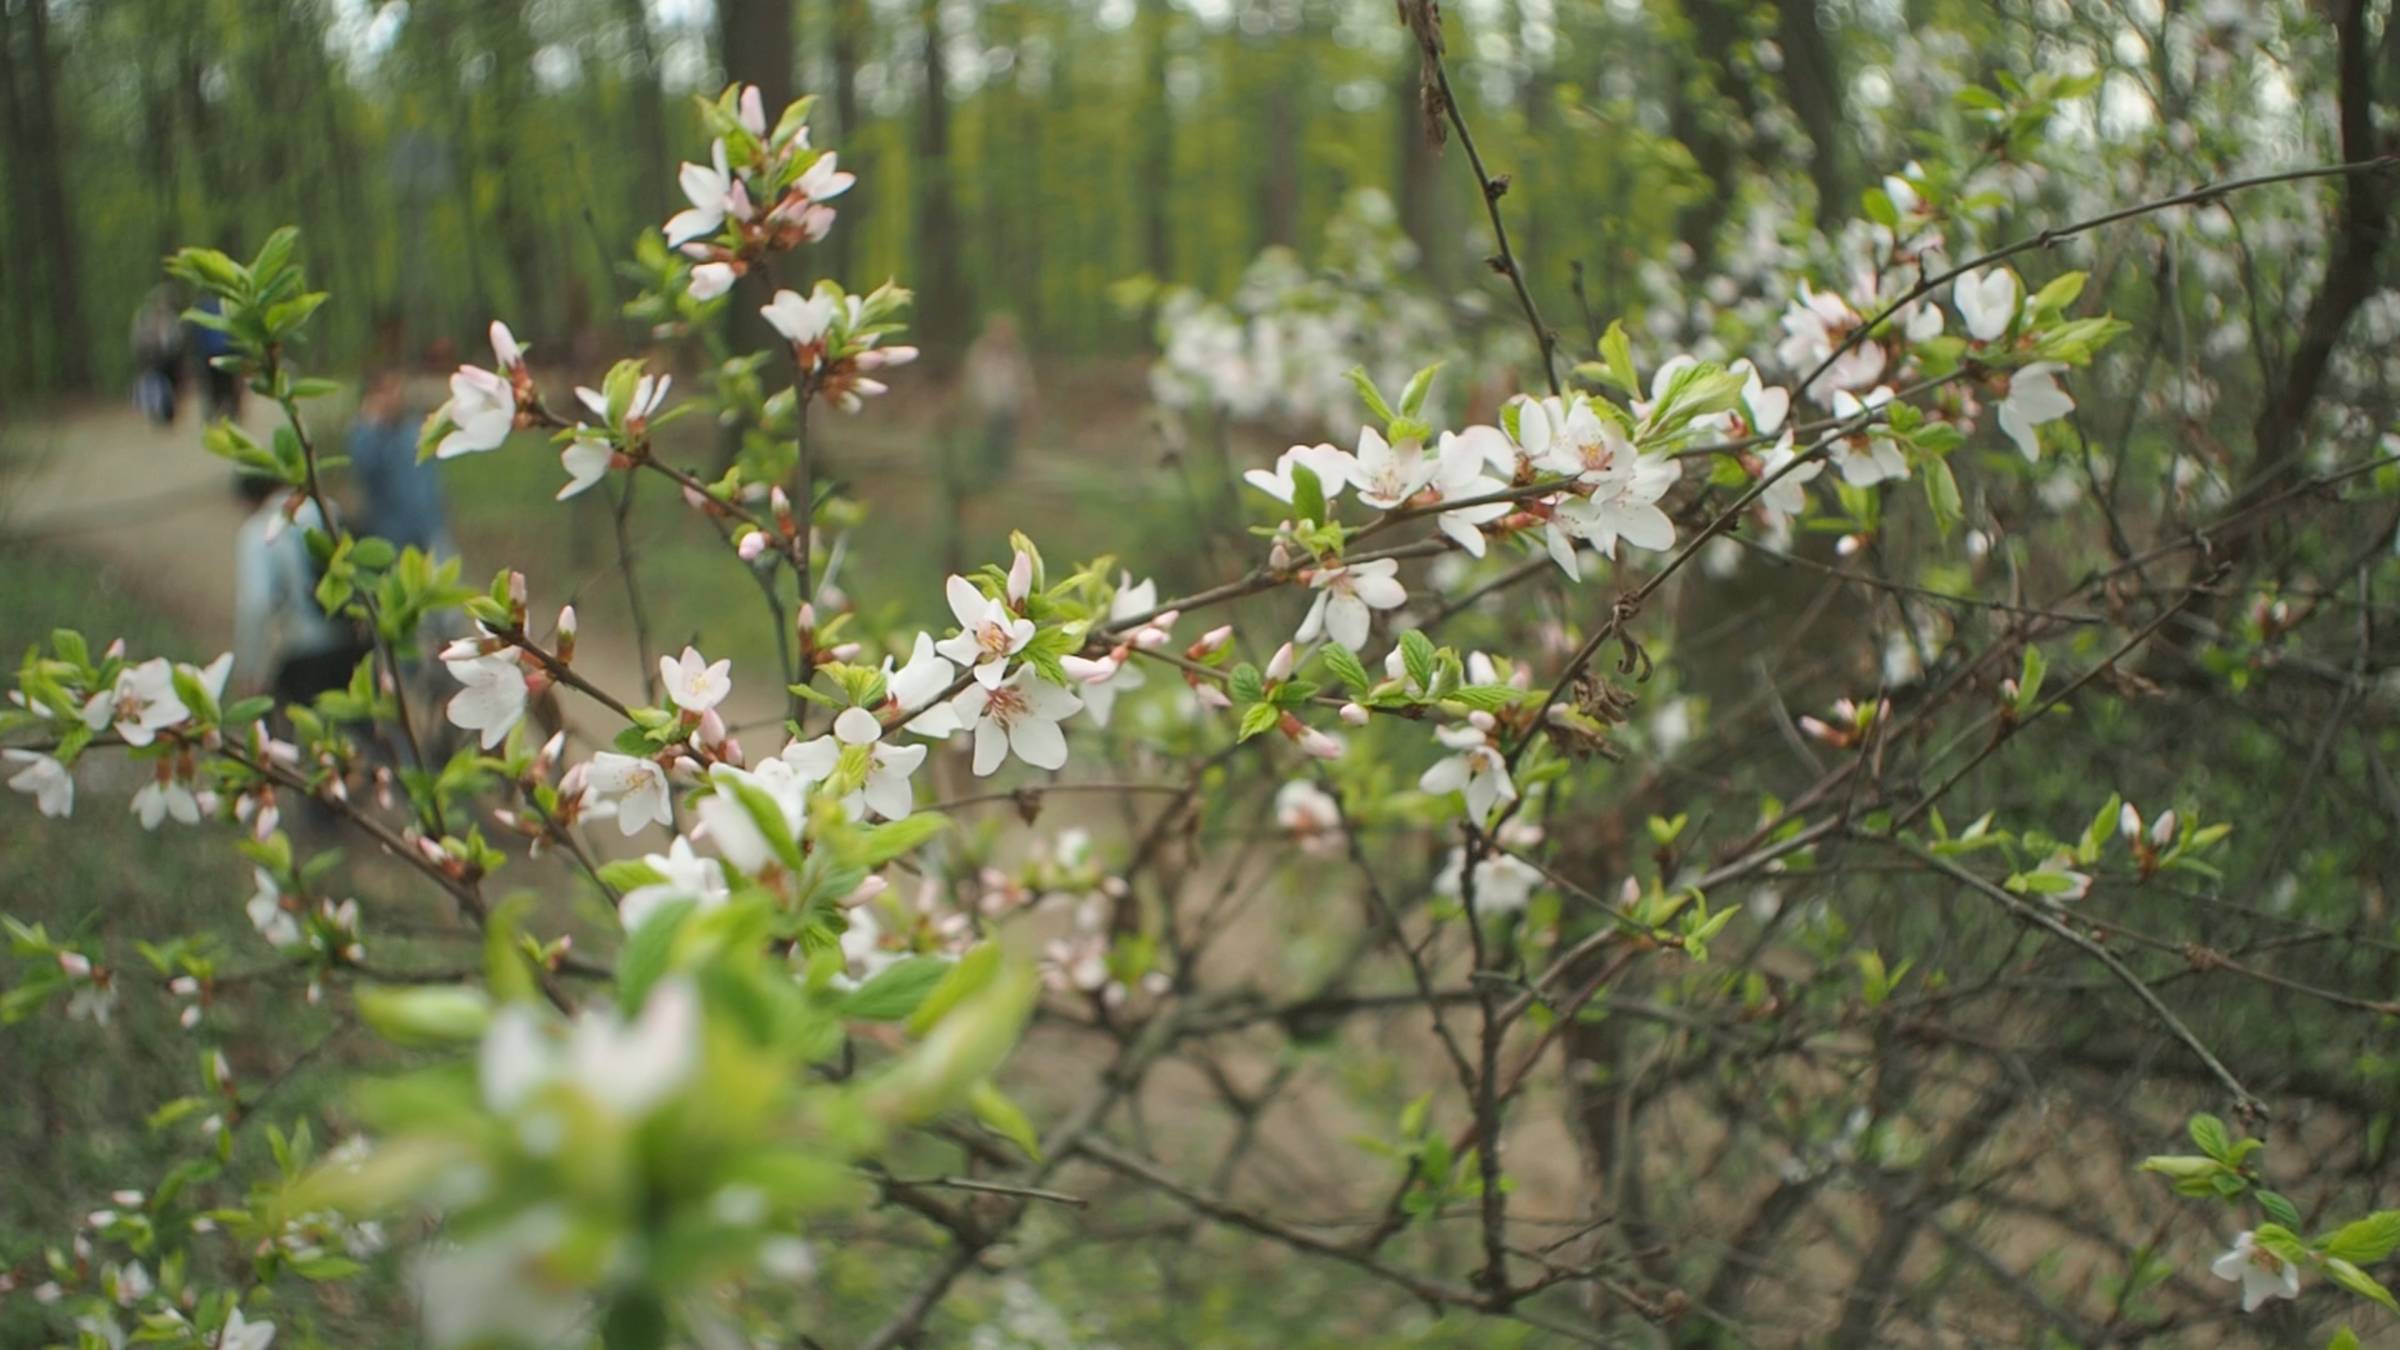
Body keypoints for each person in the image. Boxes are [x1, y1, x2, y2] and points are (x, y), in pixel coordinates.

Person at [232, 476, 371, 713]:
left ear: (248, 499)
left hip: (304, 651)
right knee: (366, 721)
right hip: (352, 641)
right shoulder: (327, 509)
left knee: (313, 730)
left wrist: (250, 670)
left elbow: (256, 604)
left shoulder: (258, 532)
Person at [347, 368, 454, 560]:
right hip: (390, 535)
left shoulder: (414, 431)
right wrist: (371, 421)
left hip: (430, 532)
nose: (393, 398)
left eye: (396, 391)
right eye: (385, 392)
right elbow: (364, 466)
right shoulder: (367, 434)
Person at [130, 287, 185, 425]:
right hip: (154, 357)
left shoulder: (170, 318)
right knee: (156, 384)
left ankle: (169, 412)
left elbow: (176, 337)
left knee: (172, 385)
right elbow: (139, 338)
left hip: (170, 357)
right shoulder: (144, 318)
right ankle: (158, 411)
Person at [191, 295, 242, 422]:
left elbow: (197, 336)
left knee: (214, 387)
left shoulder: (203, 311)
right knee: (226, 385)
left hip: (210, 355)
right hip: (225, 352)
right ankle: (229, 411)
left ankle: (218, 411)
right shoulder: (225, 309)